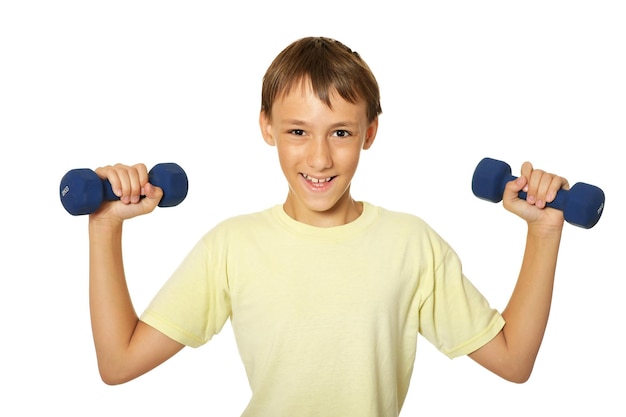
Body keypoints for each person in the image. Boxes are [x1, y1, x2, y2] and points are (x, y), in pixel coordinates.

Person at [88, 37, 568, 416]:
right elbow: (119, 363)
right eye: (298, 131)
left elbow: (513, 360)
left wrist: (544, 233)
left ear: (369, 133)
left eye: (341, 132)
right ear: (267, 127)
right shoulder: (232, 247)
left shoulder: (410, 245)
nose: (319, 157)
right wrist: (105, 226)